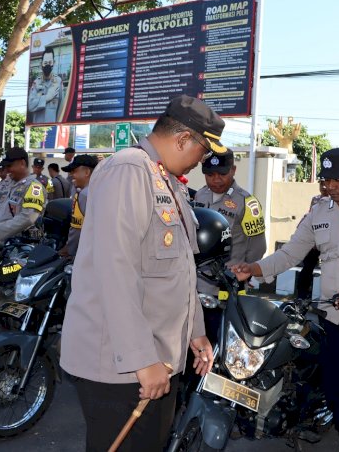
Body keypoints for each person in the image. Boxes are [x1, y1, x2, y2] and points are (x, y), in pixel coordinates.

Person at [60, 95, 224, 451]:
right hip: (124, 366)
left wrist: (194, 332)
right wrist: (141, 359)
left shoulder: (165, 179)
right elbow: (115, 269)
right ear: (183, 139)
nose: (202, 162)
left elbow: (180, 268)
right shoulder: (129, 170)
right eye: (202, 151)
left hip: (157, 356)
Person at [231, 147, 339, 452]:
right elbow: (290, 253)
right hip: (330, 322)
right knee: (338, 392)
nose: (329, 186)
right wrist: (255, 268)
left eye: (336, 180)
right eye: (324, 180)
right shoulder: (318, 213)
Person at [193, 149, 266, 318]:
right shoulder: (200, 195)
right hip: (198, 285)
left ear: (233, 170)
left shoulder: (247, 202)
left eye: (222, 173)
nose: (216, 179)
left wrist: (246, 272)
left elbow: (257, 247)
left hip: (228, 287)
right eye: (210, 174)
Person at [0, 148, 45, 242]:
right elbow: (7, 211)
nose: (6, 170)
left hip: (20, 243)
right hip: (4, 239)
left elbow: (28, 218)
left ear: (22, 163)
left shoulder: (34, 187)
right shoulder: (12, 184)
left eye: (9, 166)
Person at [295, 180, 329, 299]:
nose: (324, 187)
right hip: (313, 242)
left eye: (326, 183)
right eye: (321, 184)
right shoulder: (315, 199)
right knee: (307, 268)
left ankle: (327, 298)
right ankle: (302, 297)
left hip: (328, 243)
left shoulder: (336, 201)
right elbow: (311, 219)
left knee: (329, 270)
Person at [58, 155, 97, 257]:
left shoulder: (85, 194)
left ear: (87, 172)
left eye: (74, 171)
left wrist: (69, 251)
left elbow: (77, 231)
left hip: (83, 255)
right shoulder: (100, 189)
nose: (71, 175)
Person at [28, 48, 62, 123]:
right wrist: (47, 98)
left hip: (53, 127)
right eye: (45, 63)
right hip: (37, 129)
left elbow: (61, 108)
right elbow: (30, 106)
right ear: (41, 64)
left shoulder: (58, 82)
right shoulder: (36, 83)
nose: (47, 65)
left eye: (50, 62)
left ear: (54, 63)